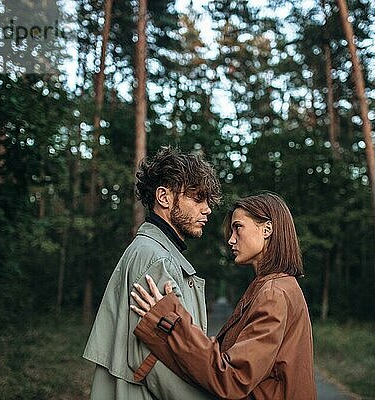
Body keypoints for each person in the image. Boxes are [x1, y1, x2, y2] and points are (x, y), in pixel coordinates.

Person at [130, 192, 317, 400]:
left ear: (267, 229)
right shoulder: (274, 286)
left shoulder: (274, 293)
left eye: (238, 227)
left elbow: (234, 378)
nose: (231, 239)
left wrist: (170, 322)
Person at [82, 146, 222, 400]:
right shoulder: (156, 259)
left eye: (208, 201)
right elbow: (154, 360)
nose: (207, 209)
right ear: (164, 197)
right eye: (197, 198)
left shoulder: (153, 252)